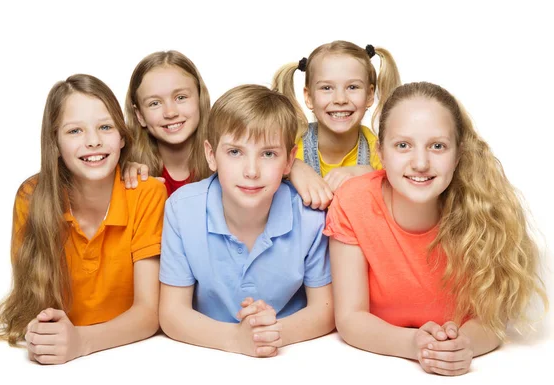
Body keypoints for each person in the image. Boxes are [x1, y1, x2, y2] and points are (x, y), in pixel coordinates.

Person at [325, 81, 549, 375]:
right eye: (403, 145)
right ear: (380, 152)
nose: (420, 163)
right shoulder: (353, 202)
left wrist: (464, 345)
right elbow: (351, 317)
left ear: (457, 155)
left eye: (438, 146)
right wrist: (414, 345)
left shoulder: (485, 213)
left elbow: (491, 319)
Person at [0, 74, 166, 365]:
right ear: (55, 143)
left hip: (135, 355)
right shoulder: (31, 198)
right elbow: (33, 301)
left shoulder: (148, 194)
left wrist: (82, 342)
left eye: (105, 127)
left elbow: (149, 313)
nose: (93, 141)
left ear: (122, 136)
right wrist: (43, 332)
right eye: (75, 131)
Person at [158, 84, 334, 357]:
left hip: (296, 356)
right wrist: (235, 339)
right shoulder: (182, 209)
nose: (251, 171)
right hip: (206, 354)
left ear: (289, 161)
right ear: (210, 155)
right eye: (235, 152)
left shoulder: (310, 216)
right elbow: (172, 312)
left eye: (268, 154)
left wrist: (268, 334)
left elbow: (325, 309)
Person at [273, 40, 401, 209]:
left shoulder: (377, 150)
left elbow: (400, 194)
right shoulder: (290, 144)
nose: (340, 99)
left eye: (353, 87)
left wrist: (369, 173)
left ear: (370, 95)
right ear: (309, 97)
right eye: (326, 88)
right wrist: (292, 167)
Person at [123, 50, 212, 196]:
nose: (170, 113)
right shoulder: (130, 172)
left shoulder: (226, 159)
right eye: (155, 103)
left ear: (200, 99)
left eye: (181, 97)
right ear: (140, 115)